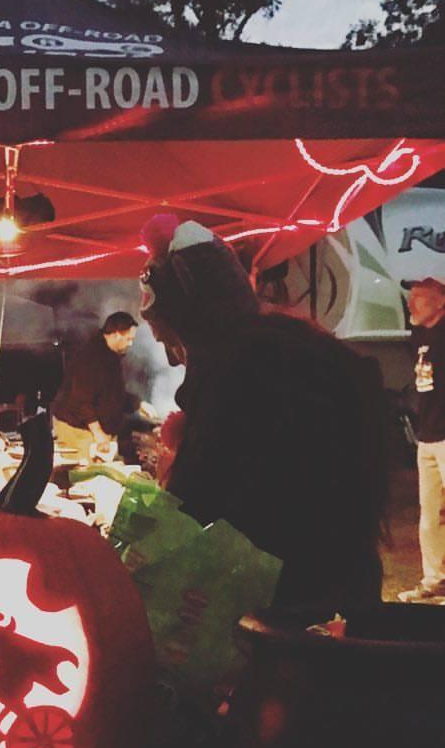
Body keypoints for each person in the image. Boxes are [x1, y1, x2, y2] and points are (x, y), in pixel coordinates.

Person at [139, 214, 389, 609]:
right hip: (344, 575)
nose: (173, 362)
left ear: (192, 321)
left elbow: (202, 502)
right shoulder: (291, 349)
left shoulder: (236, 371)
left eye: (171, 342)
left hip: (289, 593)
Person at [398, 278, 445, 603]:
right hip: (427, 437)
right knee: (429, 514)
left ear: (440, 302)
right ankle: (434, 581)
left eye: (420, 299)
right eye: (410, 298)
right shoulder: (421, 336)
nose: (411, 304)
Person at [52, 311, 138, 462]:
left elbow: (112, 394)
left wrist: (139, 404)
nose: (130, 344)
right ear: (116, 334)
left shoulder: (111, 355)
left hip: (95, 431)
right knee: (90, 474)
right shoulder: (91, 356)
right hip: (78, 429)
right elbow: (82, 401)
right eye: (128, 339)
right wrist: (98, 434)